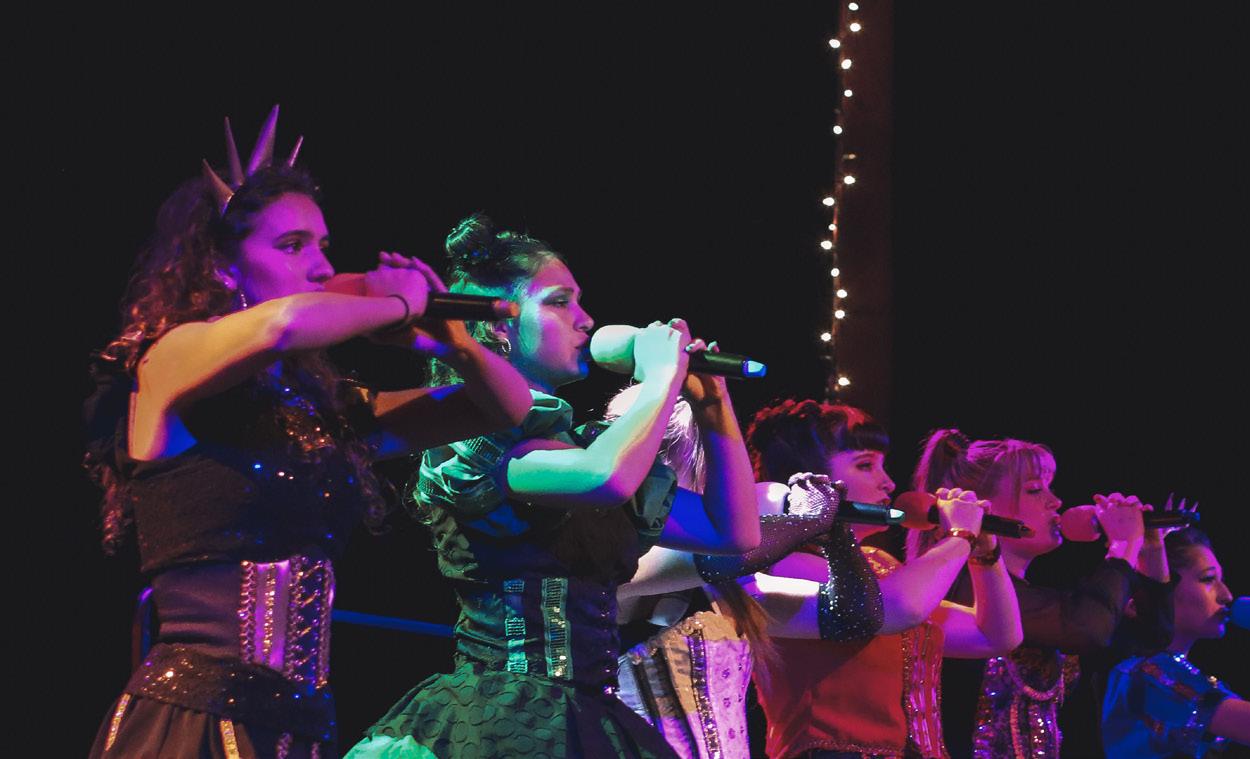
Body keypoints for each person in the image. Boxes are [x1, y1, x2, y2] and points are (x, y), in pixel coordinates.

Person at [85, 107, 533, 758]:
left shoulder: (321, 412)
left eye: (323, 246)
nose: (321, 266)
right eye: (292, 246)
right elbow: (283, 325)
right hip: (194, 722)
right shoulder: (166, 360)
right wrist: (391, 302)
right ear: (222, 266)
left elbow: (506, 407)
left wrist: (454, 341)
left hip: (299, 728)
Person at [350, 213, 759, 758]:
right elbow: (603, 478)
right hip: (498, 719)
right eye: (560, 302)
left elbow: (733, 531)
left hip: (590, 718)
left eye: (580, 302)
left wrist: (713, 404)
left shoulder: (583, 448)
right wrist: (661, 379)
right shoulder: (478, 443)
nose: (586, 321)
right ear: (501, 326)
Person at [607, 386, 881, 759]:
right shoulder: (621, 557)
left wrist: (836, 537)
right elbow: (723, 554)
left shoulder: (732, 592)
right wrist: (806, 520)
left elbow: (854, 617)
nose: (736, 483)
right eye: (721, 466)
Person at [745, 400, 1024, 759]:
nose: (888, 482)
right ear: (812, 480)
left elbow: (996, 635)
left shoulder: (881, 564)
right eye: (865, 465)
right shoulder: (786, 563)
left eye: (882, 465)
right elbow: (898, 606)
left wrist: (985, 552)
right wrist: (959, 537)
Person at [910, 430, 1170, 758]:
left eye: (1050, 487)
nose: (1055, 501)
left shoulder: (1039, 599)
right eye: (1035, 490)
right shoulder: (965, 590)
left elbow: (1150, 637)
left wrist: (1149, 551)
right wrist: (1121, 546)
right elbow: (1087, 628)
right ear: (983, 507)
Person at [1100, 528, 1250, 757]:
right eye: (1208, 579)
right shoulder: (1148, 676)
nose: (1226, 595)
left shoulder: (1175, 674)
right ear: (1163, 589)